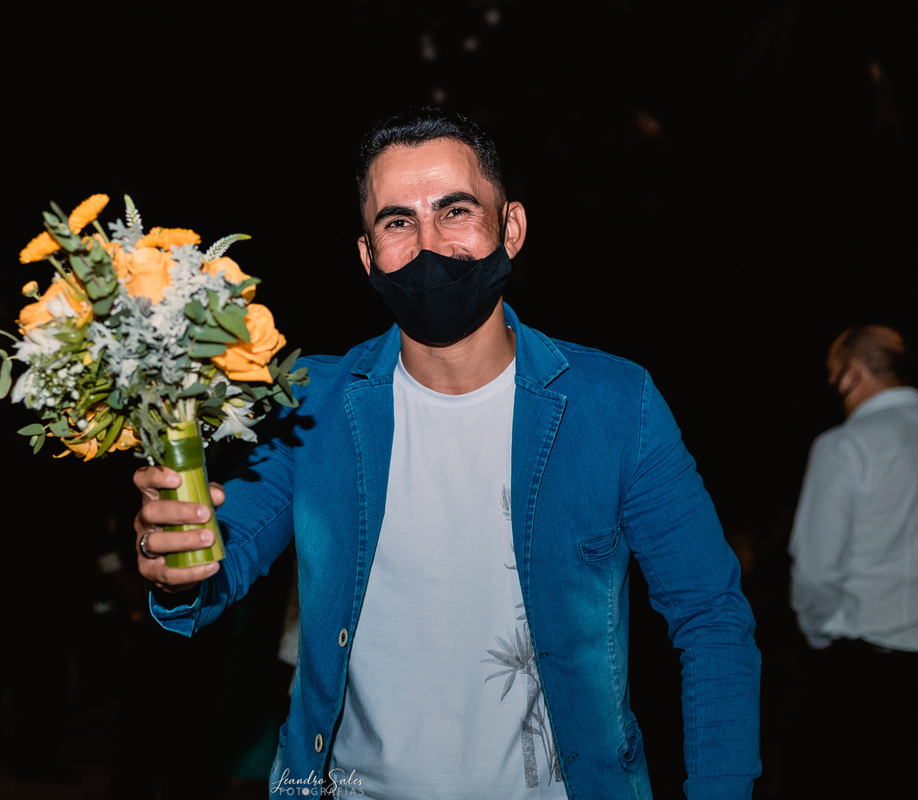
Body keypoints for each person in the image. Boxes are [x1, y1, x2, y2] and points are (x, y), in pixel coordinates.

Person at [133, 108, 760, 799]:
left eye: (455, 210)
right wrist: (177, 565)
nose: (428, 244)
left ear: (511, 228)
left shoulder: (615, 405)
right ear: (368, 257)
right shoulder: (315, 398)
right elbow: (221, 556)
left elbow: (711, 618)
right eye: (398, 222)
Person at [784, 324, 918, 798]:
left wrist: (820, 636)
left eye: (833, 376)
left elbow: (817, 569)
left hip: (867, 669)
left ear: (852, 374)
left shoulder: (846, 445)